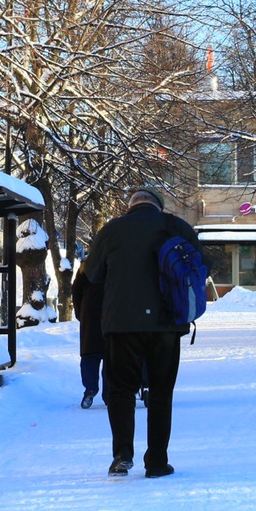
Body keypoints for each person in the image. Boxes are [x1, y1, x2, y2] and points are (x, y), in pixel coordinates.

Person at [77, 184, 204, 478]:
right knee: (161, 392)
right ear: (158, 206)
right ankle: (157, 462)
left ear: (130, 205)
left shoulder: (112, 230)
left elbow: (93, 275)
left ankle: (122, 454)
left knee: (121, 389)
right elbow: (201, 266)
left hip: (121, 324)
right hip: (166, 324)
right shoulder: (176, 227)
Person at [72, 264, 106, 408]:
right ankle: (110, 393)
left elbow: (76, 292)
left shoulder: (85, 268)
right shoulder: (117, 264)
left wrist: (81, 314)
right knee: (112, 358)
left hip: (90, 316)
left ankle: (90, 388)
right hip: (111, 316)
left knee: (90, 355)